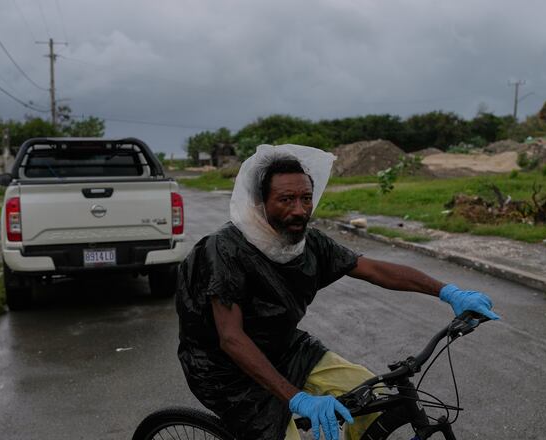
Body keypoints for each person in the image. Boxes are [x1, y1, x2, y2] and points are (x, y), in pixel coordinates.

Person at [176, 145, 499, 440]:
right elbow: (231, 338)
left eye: (306, 198)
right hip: (226, 372)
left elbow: (375, 270)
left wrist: (449, 292)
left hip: (286, 348)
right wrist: (297, 398)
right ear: (260, 204)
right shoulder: (224, 251)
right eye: (286, 200)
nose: (300, 210)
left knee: (375, 399)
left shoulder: (309, 243)